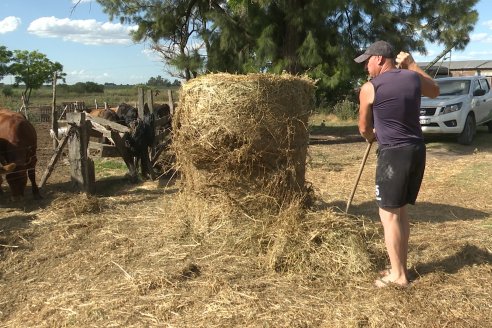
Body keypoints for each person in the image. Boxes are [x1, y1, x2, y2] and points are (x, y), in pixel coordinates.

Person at [354, 40, 439, 287]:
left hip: (393, 154)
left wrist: (371, 136)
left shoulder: (370, 87)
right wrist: (413, 65)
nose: (365, 67)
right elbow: (434, 90)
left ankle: (398, 277)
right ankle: (397, 267)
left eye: (367, 61)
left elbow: (363, 127)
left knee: (388, 215)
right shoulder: (412, 78)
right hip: (416, 150)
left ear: (379, 59)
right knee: (400, 211)